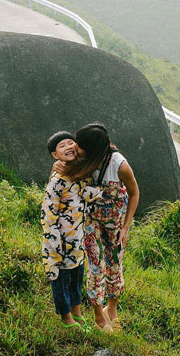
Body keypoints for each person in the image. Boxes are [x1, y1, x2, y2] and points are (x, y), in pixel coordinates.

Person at [67, 122, 140, 332]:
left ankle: (112, 309)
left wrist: (125, 228)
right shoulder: (81, 160)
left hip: (115, 222)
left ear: (93, 149)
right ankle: (99, 313)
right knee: (95, 264)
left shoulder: (119, 165)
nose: (75, 148)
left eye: (79, 145)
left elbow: (134, 193)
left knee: (115, 263)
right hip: (90, 220)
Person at [40, 131, 103, 329]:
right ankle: (66, 317)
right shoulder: (57, 180)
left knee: (77, 276)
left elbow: (89, 194)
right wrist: (53, 242)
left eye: (70, 143)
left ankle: (77, 312)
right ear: (54, 155)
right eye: (62, 146)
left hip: (77, 239)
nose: (68, 147)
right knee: (61, 280)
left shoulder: (81, 173)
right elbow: (48, 213)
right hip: (60, 240)